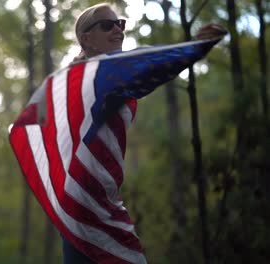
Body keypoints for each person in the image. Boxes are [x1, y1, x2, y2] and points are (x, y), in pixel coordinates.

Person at [61, 3, 227, 263]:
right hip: (90, 204)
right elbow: (146, 63)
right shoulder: (99, 73)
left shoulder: (80, 77)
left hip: (79, 202)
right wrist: (192, 48)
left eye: (120, 24)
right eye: (107, 25)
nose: (117, 29)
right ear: (86, 39)